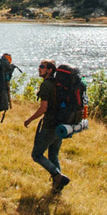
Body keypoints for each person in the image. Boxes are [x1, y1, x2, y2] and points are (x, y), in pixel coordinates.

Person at [24, 60, 70, 192]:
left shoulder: (46, 85)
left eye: (42, 67)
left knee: (37, 155)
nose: (39, 69)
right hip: (61, 125)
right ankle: (57, 188)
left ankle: (57, 175)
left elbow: (43, 108)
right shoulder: (59, 84)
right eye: (40, 66)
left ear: (50, 70)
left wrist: (29, 120)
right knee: (53, 155)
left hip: (50, 125)